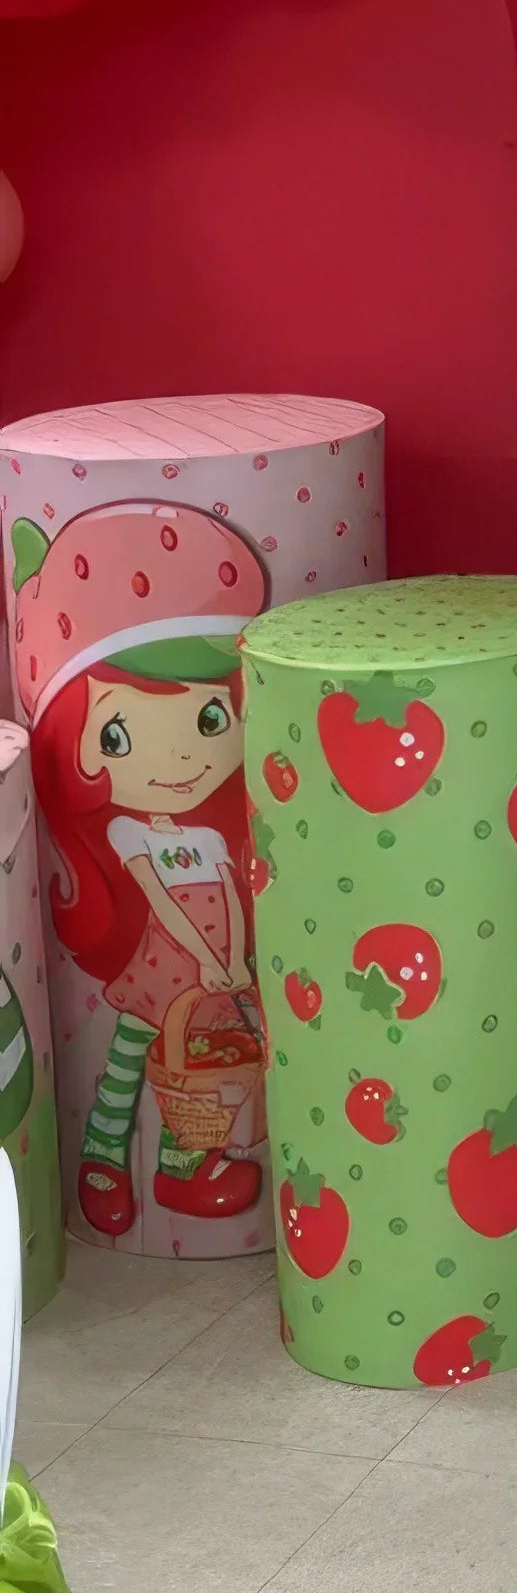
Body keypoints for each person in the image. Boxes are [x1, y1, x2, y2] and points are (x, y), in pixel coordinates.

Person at [14, 503, 266, 1239]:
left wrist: (234, 959)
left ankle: (185, 1164)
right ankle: (103, 1151)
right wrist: (211, 957)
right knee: (129, 1058)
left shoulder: (219, 838)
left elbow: (224, 892)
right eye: (119, 732)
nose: (185, 758)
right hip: (162, 960)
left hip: (214, 964)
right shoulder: (126, 830)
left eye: (211, 720)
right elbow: (162, 896)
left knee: (204, 1064)